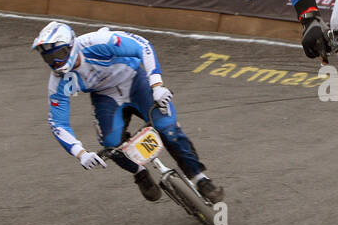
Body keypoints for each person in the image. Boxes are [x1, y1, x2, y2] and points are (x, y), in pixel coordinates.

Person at [31, 20, 225, 203]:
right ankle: (139, 172)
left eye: (60, 54)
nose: (56, 62)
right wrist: (80, 153)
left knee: (169, 129)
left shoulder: (98, 42)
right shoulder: (58, 82)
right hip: (106, 97)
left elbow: (143, 46)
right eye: (49, 57)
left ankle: (200, 178)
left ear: (72, 46)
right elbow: (58, 123)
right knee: (111, 145)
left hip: (135, 81)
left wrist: (157, 85)